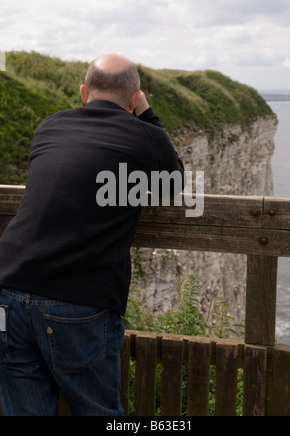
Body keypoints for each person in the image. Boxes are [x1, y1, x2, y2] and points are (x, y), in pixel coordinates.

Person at [0, 54, 185, 416]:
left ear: (84, 92)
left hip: (7, 288)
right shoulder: (145, 134)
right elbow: (174, 184)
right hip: (77, 299)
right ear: (134, 98)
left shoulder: (49, 126)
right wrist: (147, 115)